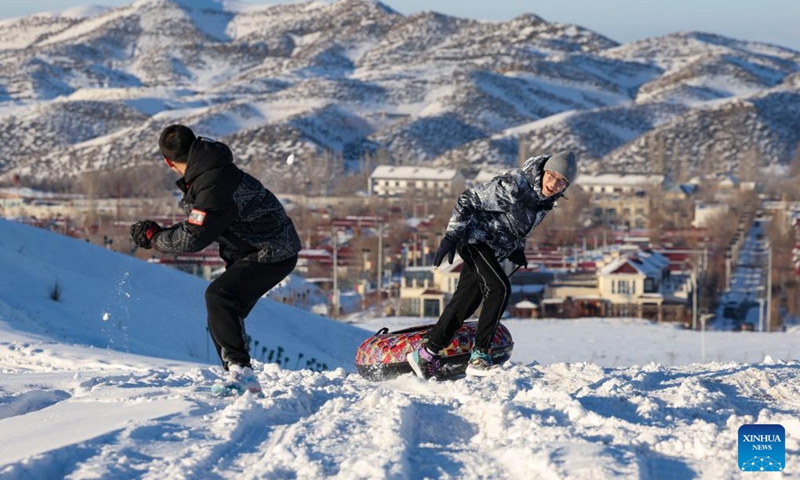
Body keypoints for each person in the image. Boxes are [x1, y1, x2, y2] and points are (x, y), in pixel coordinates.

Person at [130, 124, 302, 396]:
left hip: (272, 252)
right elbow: (201, 223)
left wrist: (155, 239)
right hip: (258, 250)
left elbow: (195, 236)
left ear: (167, 161)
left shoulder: (212, 184)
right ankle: (238, 374)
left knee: (220, 297)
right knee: (222, 312)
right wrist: (162, 234)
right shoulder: (211, 172)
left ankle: (242, 374)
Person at [407, 151, 578, 379]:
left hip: (493, 249)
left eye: (562, 181)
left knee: (465, 303)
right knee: (499, 288)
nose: (555, 183)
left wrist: (517, 248)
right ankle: (480, 356)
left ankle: (426, 353)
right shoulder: (515, 186)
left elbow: (514, 223)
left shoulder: (544, 201)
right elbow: (468, 199)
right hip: (475, 240)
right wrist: (451, 236)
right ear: (544, 171)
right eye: (552, 175)